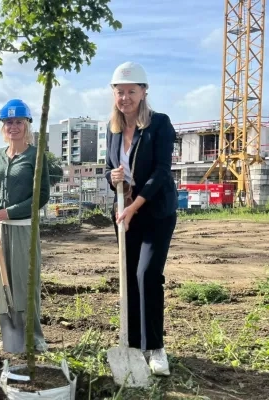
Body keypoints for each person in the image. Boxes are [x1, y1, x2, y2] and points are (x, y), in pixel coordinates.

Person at [104, 62, 178, 376]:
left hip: (156, 212)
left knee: (147, 275)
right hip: (125, 213)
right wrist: (113, 177)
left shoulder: (159, 124)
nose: (125, 98)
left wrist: (135, 206)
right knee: (128, 279)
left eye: (131, 91)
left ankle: (156, 347)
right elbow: (109, 171)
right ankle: (133, 344)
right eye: (120, 92)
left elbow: (162, 171)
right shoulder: (113, 129)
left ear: (144, 92)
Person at [0, 98, 50, 353]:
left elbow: (41, 195)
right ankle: (11, 336)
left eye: (19, 122)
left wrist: (9, 211)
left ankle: (34, 336)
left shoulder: (36, 155)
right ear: (3, 126)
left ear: (27, 125)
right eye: (9, 122)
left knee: (25, 281)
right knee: (3, 283)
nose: (14, 126)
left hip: (23, 226)